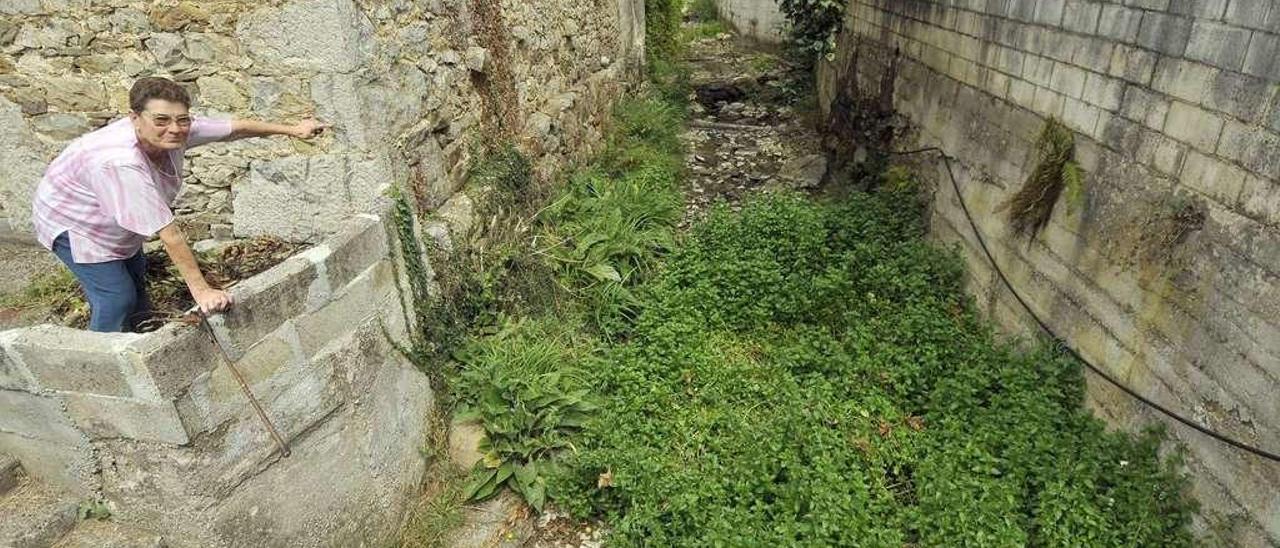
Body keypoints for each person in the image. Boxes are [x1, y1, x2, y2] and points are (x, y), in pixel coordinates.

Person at [30, 76, 327, 332]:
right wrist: (202, 291)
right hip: (74, 223)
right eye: (161, 120)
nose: (174, 129)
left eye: (182, 119)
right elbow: (169, 234)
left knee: (136, 284)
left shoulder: (176, 128)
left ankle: (141, 335)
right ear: (135, 118)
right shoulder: (120, 163)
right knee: (115, 296)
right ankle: (99, 366)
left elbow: (235, 128)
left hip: (111, 215)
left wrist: (292, 130)